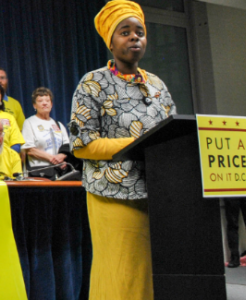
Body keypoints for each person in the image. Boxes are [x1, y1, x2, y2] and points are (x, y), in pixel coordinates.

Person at [69, 1, 176, 298]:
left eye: (139, 32)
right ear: (110, 41)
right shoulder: (92, 83)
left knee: (154, 272)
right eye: (124, 32)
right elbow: (82, 145)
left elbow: (171, 132)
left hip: (159, 191)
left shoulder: (157, 85)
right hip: (112, 194)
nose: (134, 37)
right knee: (122, 271)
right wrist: (138, 143)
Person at [22, 87, 71, 178]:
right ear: (34, 105)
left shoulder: (59, 125)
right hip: (38, 172)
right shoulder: (29, 123)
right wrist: (53, 159)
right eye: (40, 101)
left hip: (59, 172)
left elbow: (67, 146)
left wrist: (62, 156)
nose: (44, 103)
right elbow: (30, 150)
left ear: (51, 104)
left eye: (47, 101)